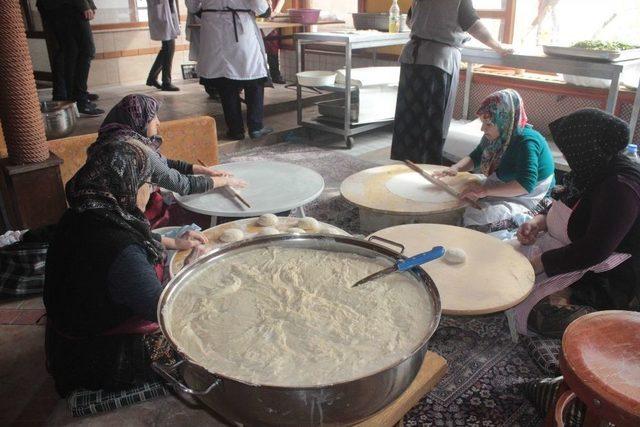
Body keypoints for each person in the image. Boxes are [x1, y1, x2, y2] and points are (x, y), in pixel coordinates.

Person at [43, 140, 209, 396]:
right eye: (147, 183)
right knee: (196, 327)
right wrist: (189, 269)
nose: (151, 190)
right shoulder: (121, 251)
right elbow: (163, 309)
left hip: (68, 330)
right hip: (97, 355)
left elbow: (130, 232)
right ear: (129, 185)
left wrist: (175, 242)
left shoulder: (85, 211)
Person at [514, 109, 640, 337]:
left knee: (540, 312)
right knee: (500, 263)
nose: (568, 158)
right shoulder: (592, 169)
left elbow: (594, 250)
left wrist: (537, 264)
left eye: (570, 152)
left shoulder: (621, 189)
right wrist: (538, 222)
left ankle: (601, 320)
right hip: (563, 248)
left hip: (600, 274)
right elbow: (564, 202)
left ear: (586, 149)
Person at [93, 94, 246, 227]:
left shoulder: (111, 138)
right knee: (208, 219)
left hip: (101, 212)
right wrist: (223, 181)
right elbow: (183, 185)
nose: (158, 122)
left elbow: (164, 163)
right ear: (140, 119)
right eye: (153, 117)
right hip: (126, 220)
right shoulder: (136, 151)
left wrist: (204, 170)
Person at [391, 0, 512, 165]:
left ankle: (407, 167)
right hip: (436, 61)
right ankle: (427, 168)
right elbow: (474, 26)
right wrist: (498, 47)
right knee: (432, 123)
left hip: (413, 58)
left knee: (411, 122)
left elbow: (409, 21)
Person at [435, 89, 555, 231]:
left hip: (530, 196)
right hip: (505, 184)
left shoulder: (527, 141)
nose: (482, 129)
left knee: (477, 221)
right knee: (461, 199)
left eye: (488, 124)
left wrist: (485, 191)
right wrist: (455, 168)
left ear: (505, 120)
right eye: (482, 123)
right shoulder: (496, 137)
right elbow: (476, 156)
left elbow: (525, 184)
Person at [186, 0, 274, 141]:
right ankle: (256, 127)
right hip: (240, 30)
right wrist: (266, 10)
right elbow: (261, 7)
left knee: (225, 81)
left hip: (213, 28)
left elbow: (191, 5)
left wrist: (211, 12)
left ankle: (235, 130)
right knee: (253, 79)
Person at [35, 0, 104, 116]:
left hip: (55, 6)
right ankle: (79, 99)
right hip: (67, 6)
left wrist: (90, 4)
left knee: (68, 53)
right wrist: (84, 5)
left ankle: (70, 96)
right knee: (85, 51)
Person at [146, 0, 181, 91]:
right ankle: (166, 82)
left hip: (166, 12)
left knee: (167, 48)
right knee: (169, 47)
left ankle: (152, 78)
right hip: (162, 14)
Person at [262, 0, 286, 84]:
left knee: (272, 45)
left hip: (271, 18)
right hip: (256, 16)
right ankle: (263, 77)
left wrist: (275, 12)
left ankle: (275, 74)